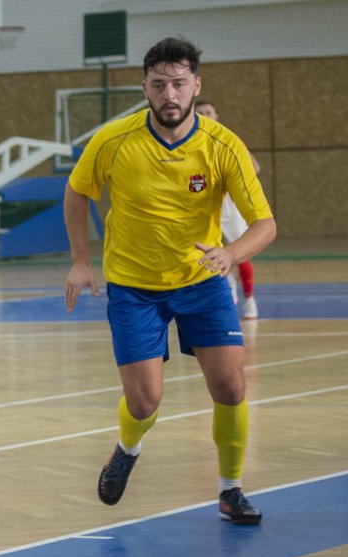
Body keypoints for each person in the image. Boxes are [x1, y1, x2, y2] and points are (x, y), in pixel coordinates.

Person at [63, 37, 276, 524]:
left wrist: (230, 253)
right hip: (134, 288)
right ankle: (127, 448)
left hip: (202, 284)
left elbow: (265, 224)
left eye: (179, 83)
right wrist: (80, 261)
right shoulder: (113, 140)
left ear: (196, 85)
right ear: (145, 88)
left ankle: (230, 489)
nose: (169, 94)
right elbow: (76, 193)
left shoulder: (223, 146)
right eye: (159, 85)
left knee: (231, 388)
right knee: (145, 402)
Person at [194, 100, 260, 319]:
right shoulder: (187, 141)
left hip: (227, 204)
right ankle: (225, 287)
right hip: (199, 204)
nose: (205, 115)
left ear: (216, 115)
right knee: (201, 252)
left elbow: (255, 168)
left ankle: (249, 300)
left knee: (240, 251)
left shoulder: (229, 140)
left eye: (208, 111)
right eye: (200, 112)